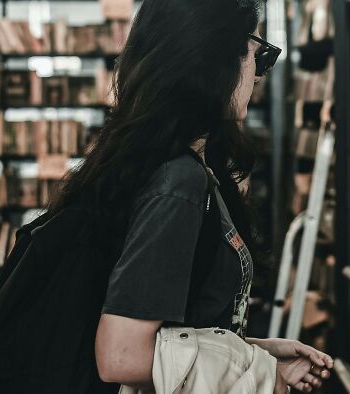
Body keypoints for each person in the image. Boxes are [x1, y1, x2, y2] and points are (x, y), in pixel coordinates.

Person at [44, 0, 332, 392]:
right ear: (211, 59)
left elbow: (174, 332)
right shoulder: (177, 182)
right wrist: (259, 376)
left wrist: (253, 353)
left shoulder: (156, 162)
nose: (259, 74)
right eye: (256, 54)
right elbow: (123, 357)